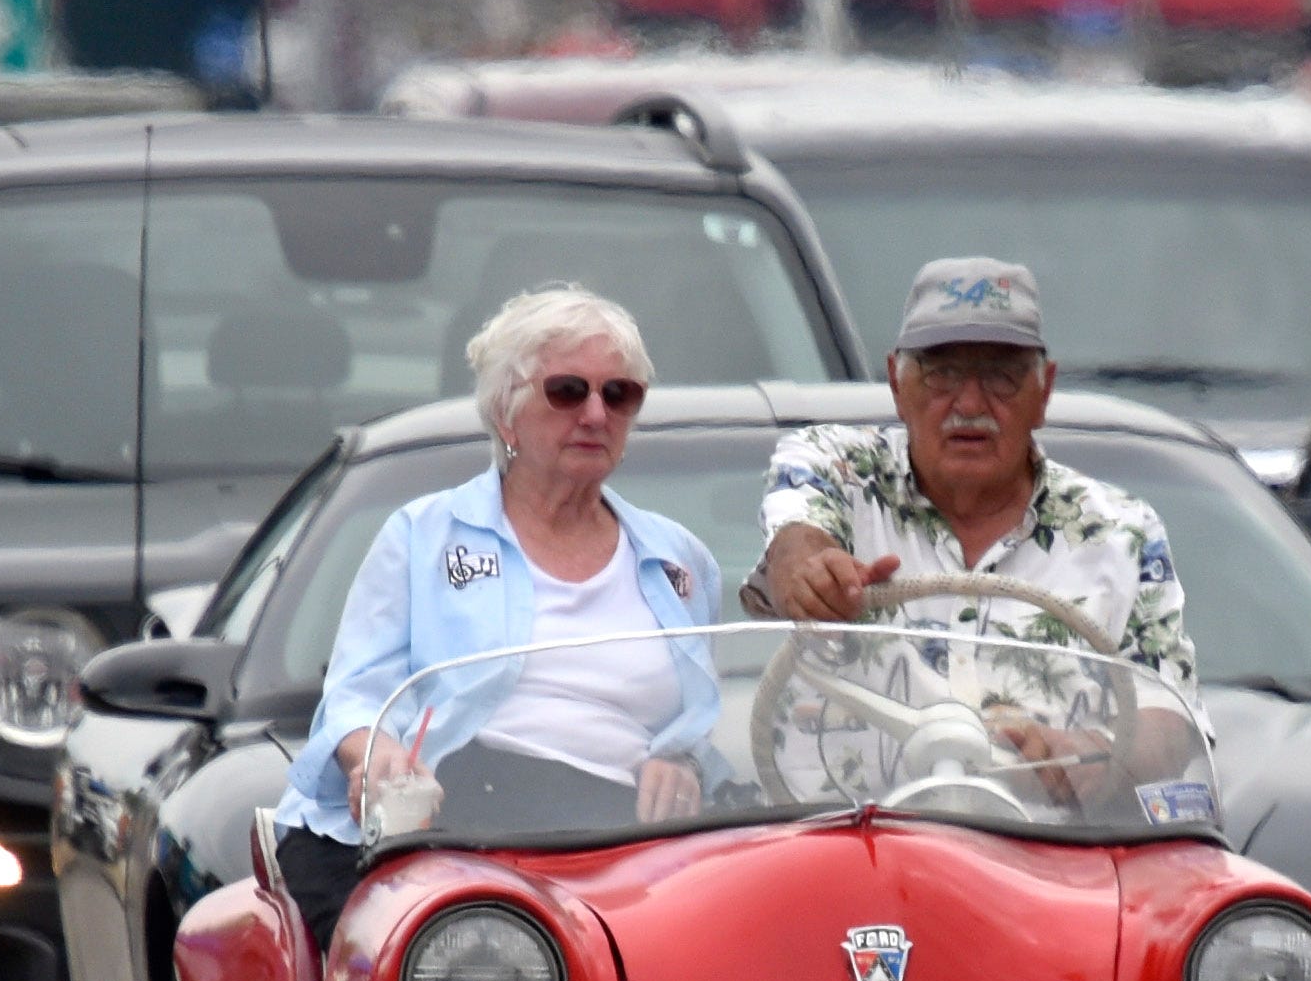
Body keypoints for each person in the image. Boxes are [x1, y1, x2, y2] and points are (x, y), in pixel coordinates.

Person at [273, 287, 730, 944]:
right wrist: (373, 757)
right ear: (507, 414)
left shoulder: (678, 559)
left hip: (624, 841)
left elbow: (695, 720)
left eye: (619, 394)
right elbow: (355, 698)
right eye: (567, 391)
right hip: (452, 818)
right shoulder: (420, 536)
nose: (597, 413)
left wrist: (680, 760)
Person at [751, 258, 1199, 779]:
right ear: (897, 382)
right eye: (942, 374)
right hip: (849, 844)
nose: (968, 402)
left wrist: (1089, 759)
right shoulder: (835, 467)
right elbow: (795, 541)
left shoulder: (1123, 533)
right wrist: (812, 575)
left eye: (1001, 377)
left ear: (1045, 391)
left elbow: (1170, 720)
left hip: (1041, 852)